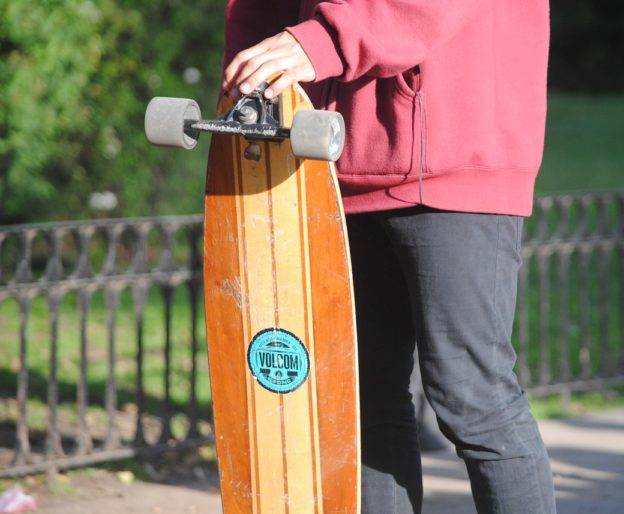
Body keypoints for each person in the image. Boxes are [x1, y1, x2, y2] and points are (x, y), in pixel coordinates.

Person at [222, 1, 556, 513]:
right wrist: (252, 81)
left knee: (472, 396)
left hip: (454, 157)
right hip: (330, 157)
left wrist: (325, 42)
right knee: (364, 400)